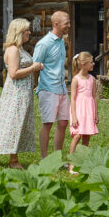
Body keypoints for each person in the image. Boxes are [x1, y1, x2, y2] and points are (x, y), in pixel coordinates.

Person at [0, 18, 44, 169]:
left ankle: (12, 160)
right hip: (16, 93)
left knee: (17, 125)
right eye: (26, 30)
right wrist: (33, 68)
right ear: (19, 32)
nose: (29, 32)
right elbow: (13, 74)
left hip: (23, 93)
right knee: (9, 124)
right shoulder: (13, 50)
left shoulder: (21, 49)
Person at [32, 10, 71, 158]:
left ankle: (57, 158)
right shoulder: (44, 43)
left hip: (61, 88)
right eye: (66, 23)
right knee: (48, 123)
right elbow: (35, 65)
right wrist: (38, 87)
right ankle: (44, 159)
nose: (68, 25)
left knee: (63, 123)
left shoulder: (61, 40)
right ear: (56, 24)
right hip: (48, 89)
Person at [68, 51, 98, 174]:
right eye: (91, 62)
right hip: (79, 109)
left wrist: (96, 114)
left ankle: (83, 163)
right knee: (77, 135)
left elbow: (94, 96)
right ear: (84, 64)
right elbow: (73, 98)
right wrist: (74, 116)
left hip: (89, 110)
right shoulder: (76, 79)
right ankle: (71, 163)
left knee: (86, 137)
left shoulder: (92, 79)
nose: (93, 64)